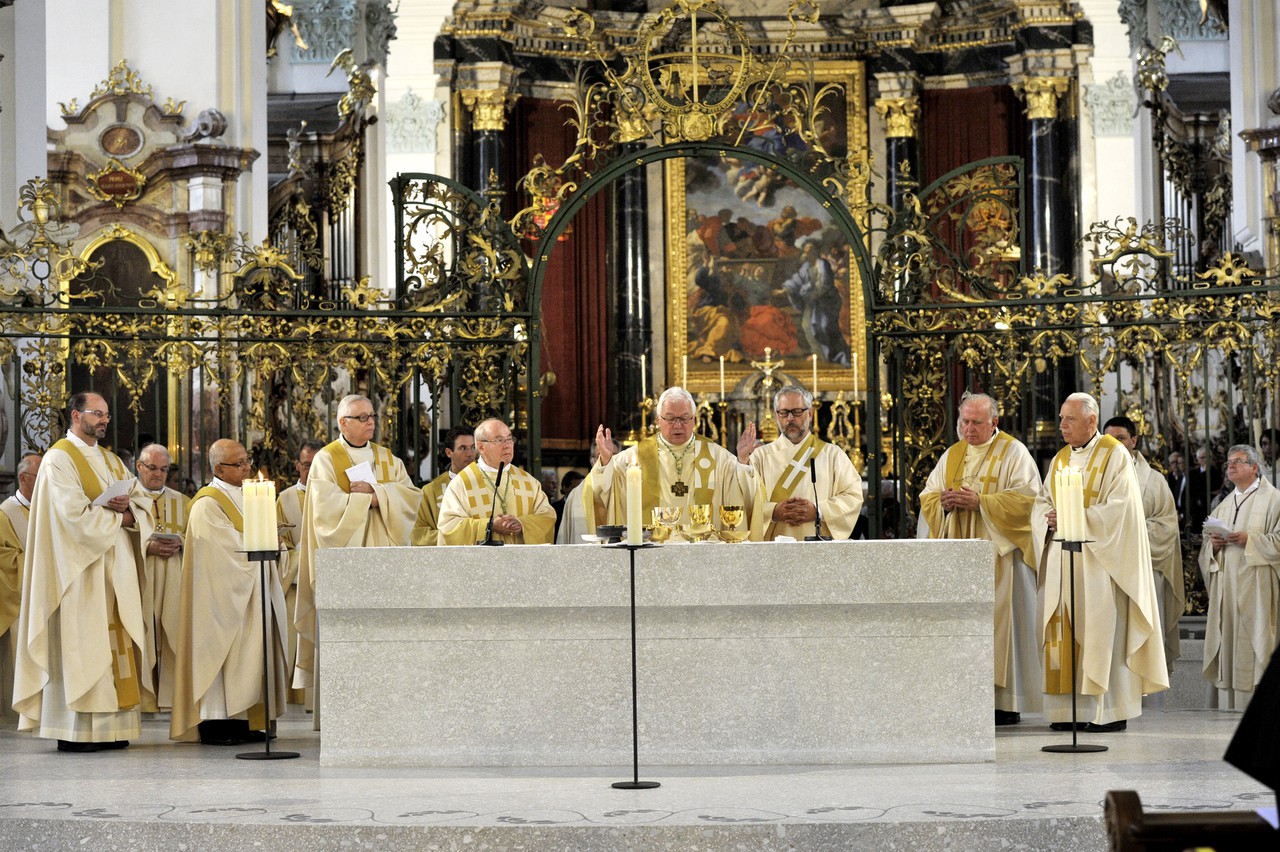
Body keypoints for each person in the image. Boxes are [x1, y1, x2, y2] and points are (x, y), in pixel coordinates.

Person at [12, 392, 154, 752]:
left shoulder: (111, 459)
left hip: (115, 571)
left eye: (106, 415)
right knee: (83, 646)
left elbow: (142, 500)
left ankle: (113, 728)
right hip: (79, 573)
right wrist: (118, 517)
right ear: (76, 415)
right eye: (97, 413)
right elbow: (70, 517)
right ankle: (76, 731)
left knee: (116, 646)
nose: (104, 420)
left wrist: (130, 510)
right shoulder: (58, 459)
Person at [1031, 393, 1168, 732]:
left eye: (1070, 419)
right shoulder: (1061, 459)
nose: (1062, 426)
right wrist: (1048, 518)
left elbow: (1121, 509)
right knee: (1061, 630)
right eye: (1061, 418)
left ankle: (1108, 712)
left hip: (1099, 563)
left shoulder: (1114, 454)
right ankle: (1066, 711)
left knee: (1100, 630)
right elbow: (1042, 502)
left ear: (1091, 421)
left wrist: (1075, 517)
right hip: (1063, 559)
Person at [292, 394, 421, 719]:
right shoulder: (326, 459)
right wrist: (367, 500)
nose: (370, 422)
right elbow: (324, 511)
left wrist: (377, 494)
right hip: (347, 566)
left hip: (387, 565)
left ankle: (389, 708)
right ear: (343, 423)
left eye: (372, 416)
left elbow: (411, 497)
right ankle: (344, 715)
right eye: (362, 417)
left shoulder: (388, 458)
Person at [919, 392, 1040, 725]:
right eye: (964, 421)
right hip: (959, 557)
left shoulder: (1014, 452)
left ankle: (1005, 703)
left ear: (994, 422)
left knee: (1002, 625)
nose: (969, 429)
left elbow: (1029, 500)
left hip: (1000, 556)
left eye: (976, 422)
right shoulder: (953, 454)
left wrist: (982, 503)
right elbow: (928, 495)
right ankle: (967, 698)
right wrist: (942, 503)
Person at [170, 439, 288, 745]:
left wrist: (274, 542)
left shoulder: (250, 496)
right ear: (219, 469)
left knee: (252, 656)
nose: (247, 468)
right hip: (222, 602)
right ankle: (217, 725)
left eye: (247, 461)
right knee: (225, 657)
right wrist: (262, 542)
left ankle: (246, 722)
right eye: (239, 463)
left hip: (253, 593)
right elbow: (219, 552)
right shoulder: (207, 504)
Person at [590, 387, 755, 535]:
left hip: (704, 549)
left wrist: (742, 461)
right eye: (670, 418)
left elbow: (745, 493)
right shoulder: (634, 457)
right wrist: (606, 461)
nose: (677, 425)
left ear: (694, 420)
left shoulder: (718, 457)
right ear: (658, 420)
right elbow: (601, 491)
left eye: (684, 418)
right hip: (651, 550)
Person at [1198, 444, 1280, 710]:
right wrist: (1213, 547)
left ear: (1254, 467)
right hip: (1227, 588)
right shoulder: (1223, 505)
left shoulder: (1274, 500)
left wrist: (1251, 540)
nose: (1231, 466)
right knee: (1229, 642)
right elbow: (1206, 548)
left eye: (1238, 461)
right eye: (1229, 462)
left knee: (1256, 644)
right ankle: (1229, 705)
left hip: (1257, 588)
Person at [1103, 417, 1185, 674]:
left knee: (1145, 638)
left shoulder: (1155, 481)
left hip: (1144, 570)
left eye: (1120, 439)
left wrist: (1127, 534)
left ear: (1133, 441)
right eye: (1108, 440)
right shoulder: (1094, 478)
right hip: (1106, 573)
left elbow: (1167, 526)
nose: (1115, 445)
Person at [745, 386, 862, 541]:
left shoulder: (833, 455)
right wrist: (773, 512)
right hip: (773, 549)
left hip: (819, 547)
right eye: (783, 412)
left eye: (797, 412)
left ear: (810, 414)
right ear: (776, 415)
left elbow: (853, 497)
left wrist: (818, 511)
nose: (790, 418)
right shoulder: (760, 457)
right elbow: (745, 502)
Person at [438, 419, 556, 545]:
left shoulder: (529, 482)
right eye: (499, 440)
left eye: (509, 439)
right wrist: (489, 526)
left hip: (521, 556)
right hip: (481, 557)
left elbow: (547, 517)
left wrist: (523, 524)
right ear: (481, 447)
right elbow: (448, 526)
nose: (507, 445)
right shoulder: (462, 483)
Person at [135, 443, 190, 712]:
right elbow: (115, 535)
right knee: (142, 631)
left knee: (173, 632)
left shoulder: (184, 502)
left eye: (164, 469)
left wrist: (181, 542)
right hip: (140, 576)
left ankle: (170, 697)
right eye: (152, 468)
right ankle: (143, 697)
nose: (158, 474)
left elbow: (196, 537)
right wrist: (147, 546)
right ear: (139, 467)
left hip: (174, 577)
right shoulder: (128, 499)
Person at [276, 440, 323, 705]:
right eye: (306, 465)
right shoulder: (284, 499)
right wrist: (301, 557)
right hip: (295, 589)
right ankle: (296, 698)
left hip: (327, 585)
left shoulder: (336, 496)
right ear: (297, 465)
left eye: (318, 465)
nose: (312, 471)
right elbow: (277, 544)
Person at [1, 452, 40, 723]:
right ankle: (22, 714)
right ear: (24, 478)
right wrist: (43, 564)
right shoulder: (6, 514)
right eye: (41, 476)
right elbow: (5, 561)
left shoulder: (49, 509)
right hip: (20, 602)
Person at [779, 241, 850, 367]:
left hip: (826, 302)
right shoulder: (806, 266)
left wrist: (814, 294)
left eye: (809, 250)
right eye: (805, 251)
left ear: (815, 251)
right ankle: (818, 353)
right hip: (812, 302)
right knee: (807, 325)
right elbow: (797, 279)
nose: (807, 253)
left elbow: (825, 284)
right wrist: (786, 289)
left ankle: (831, 354)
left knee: (824, 326)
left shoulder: (823, 264)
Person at [411, 427, 475, 546]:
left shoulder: (488, 482)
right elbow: (419, 535)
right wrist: (457, 537)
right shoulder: (431, 490)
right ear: (449, 452)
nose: (470, 454)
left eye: (473, 447)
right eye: (463, 448)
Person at [556, 439, 618, 545]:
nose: (608, 459)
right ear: (593, 461)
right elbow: (564, 538)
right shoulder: (575, 496)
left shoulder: (629, 491)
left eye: (614, 456)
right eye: (601, 455)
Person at [1189, 446, 1223, 534]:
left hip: (1209, 509)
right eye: (1202, 457)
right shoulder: (1192, 474)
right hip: (1195, 511)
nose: (1206, 460)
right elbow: (1191, 492)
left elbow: (1216, 491)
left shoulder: (1217, 473)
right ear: (1198, 459)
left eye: (1208, 457)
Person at [551, 469, 585, 541]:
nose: (578, 492)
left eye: (581, 489)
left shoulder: (586, 508)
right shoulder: (554, 509)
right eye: (575, 488)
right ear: (565, 487)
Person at [1166, 451, 1188, 530]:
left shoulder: (1185, 477)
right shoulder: (1168, 478)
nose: (1176, 465)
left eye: (1177, 462)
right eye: (1173, 463)